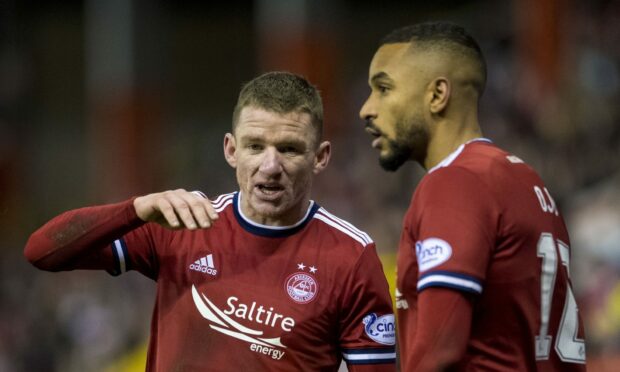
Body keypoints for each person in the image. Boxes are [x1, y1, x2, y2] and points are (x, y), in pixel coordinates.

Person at [25, 71, 396, 371]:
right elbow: (42, 251)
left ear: (321, 157)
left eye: (288, 149)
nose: (270, 166)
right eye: (255, 146)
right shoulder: (180, 223)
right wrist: (135, 209)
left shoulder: (350, 257)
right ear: (231, 150)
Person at [359, 22, 587, 371]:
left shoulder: (455, 182)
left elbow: (440, 351)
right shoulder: (526, 181)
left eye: (384, 89)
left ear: (437, 95)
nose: (367, 109)